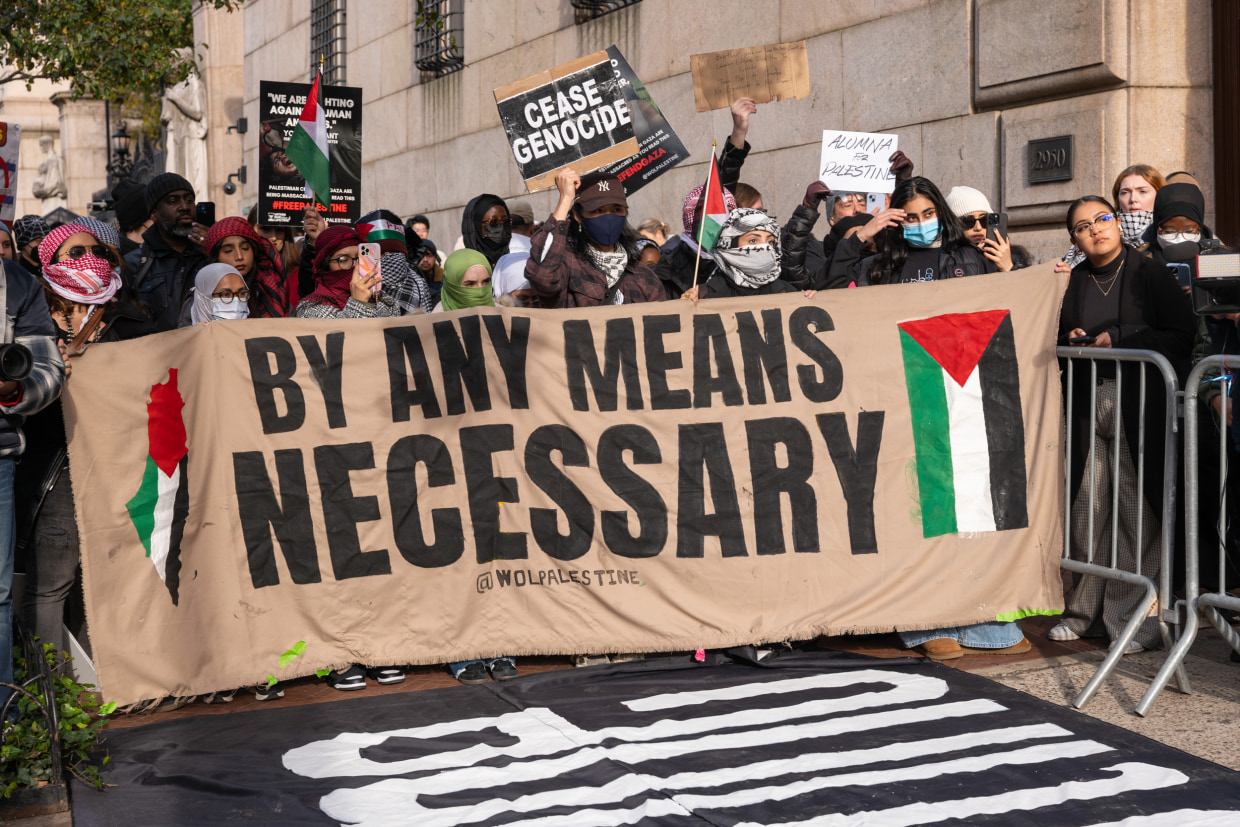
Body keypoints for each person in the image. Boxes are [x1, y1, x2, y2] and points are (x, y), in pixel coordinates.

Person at [1052, 195, 1195, 654]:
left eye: (1102, 219)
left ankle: (1133, 621)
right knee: (1087, 508)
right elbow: (1049, 334)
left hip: (1137, 401)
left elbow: (1181, 333)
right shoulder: (1071, 281)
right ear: (1073, 238)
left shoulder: (1148, 271)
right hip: (1084, 398)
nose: (1095, 229)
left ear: (1117, 222)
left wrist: (1124, 337)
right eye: (1082, 226)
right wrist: (1068, 337)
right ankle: (1083, 613)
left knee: (1137, 513)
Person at [18, 223, 127, 659]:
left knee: (99, 578)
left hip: (115, 464)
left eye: (95, 249)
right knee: (53, 580)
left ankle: (98, 678)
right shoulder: (34, 321)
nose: (89, 257)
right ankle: (51, 695)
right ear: (49, 263)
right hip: (56, 467)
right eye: (75, 251)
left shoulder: (127, 315)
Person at [0, 252, 64, 713]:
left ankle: (5, 720)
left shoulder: (17, 285)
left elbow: (46, 369)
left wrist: (14, 391)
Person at [526, 168, 667, 307]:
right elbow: (542, 276)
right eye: (598, 210)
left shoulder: (643, 276)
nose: (609, 217)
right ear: (578, 216)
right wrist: (565, 199)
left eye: (616, 209)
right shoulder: (567, 266)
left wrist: (686, 303)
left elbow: (663, 321)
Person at [826, 176, 994, 288]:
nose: (922, 224)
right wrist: (861, 235)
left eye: (928, 214)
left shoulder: (973, 259)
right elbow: (831, 289)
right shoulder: (876, 267)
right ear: (898, 220)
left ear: (941, 211)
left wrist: (1008, 266)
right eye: (912, 218)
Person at [122, 173, 210, 332]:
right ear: (154, 213)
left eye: (189, 200)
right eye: (173, 201)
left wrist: (213, 252)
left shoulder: (210, 252)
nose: (184, 207)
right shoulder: (135, 264)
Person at [689, 208, 799, 300]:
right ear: (731, 246)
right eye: (753, 241)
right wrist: (686, 306)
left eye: (770, 242)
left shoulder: (787, 293)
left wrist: (810, 301)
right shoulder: (704, 295)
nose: (764, 248)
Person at [295, 224, 397, 319]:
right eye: (343, 260)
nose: (355, 265)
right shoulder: (310, 309)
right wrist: (359, 303)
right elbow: (346, 336)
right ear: (325, 266)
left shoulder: (381, 300)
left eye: (359, 258)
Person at [201, 217, 288, 318]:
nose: (239, 256)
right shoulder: (201, 297)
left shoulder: (272, 289)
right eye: (228, 250)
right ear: (215, 257)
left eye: (245, 248)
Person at [357, 208, 431, 315]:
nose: (389, 258)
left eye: (393, 252)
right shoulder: (358, 285)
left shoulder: (419, 285)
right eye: (381, 254)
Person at [943, 186, 1032, 272]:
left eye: (984, 220)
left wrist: (1009, 267)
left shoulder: (1013, 255)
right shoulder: (944, 258)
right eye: (968, 221)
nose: (978, 227)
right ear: (953, 225)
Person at [182, 263, 250, 326]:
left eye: (242, 293)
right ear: (203, 299)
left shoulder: (253, 332)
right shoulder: (185, 337)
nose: (237, 303)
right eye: (225, 294)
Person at [460, 194, 512, 270]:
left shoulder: (514, 263)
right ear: (476, 226)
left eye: (506, 222)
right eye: (493, 222)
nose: (501, 227)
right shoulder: (462, 269)